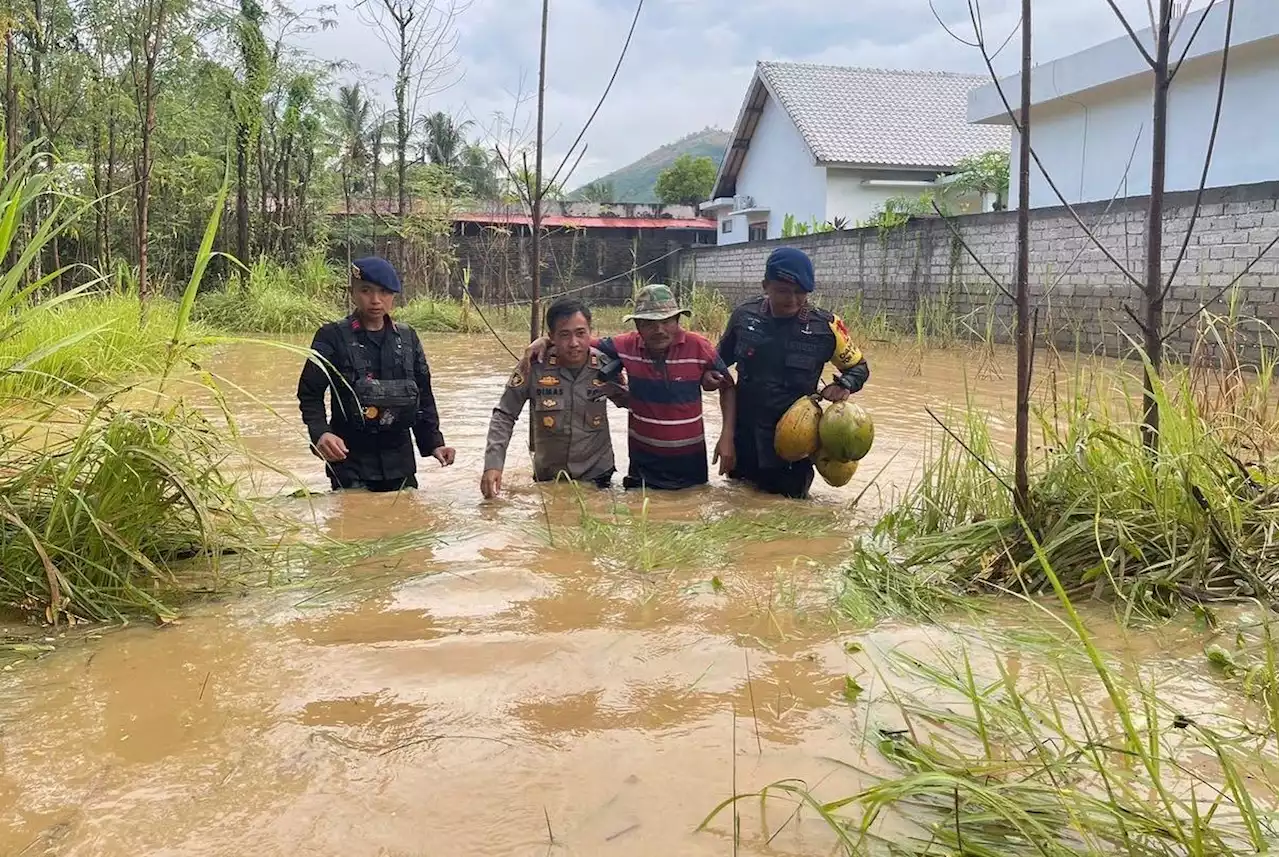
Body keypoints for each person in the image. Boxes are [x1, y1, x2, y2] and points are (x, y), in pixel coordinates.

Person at [523, 284, 736, 491]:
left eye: (667, 321)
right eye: (649, 323)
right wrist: (545, 341)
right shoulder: (626, 346)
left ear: (678, 320)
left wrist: (726, 437)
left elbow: (728, 386)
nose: (659, 330)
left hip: (690, 463)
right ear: (637, 326)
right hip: (643, 466)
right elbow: (578, 341)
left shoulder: (699, 346)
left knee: (692, 511)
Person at [713, 246, 870, 500]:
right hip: (744, 441)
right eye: (783, 291)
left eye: (800, 293)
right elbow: (718, 364)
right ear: (766, 285)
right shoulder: (744, 317)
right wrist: (725, 434)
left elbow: (859, 367)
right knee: (737, 505)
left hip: (794, 449)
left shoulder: (827, 327)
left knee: (788, 511)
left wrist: (845, 383)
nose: (792, 300)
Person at [296, 256, 455, 492]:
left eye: (383, 292)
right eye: (366, 291)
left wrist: (434, 443)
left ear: (393, 296)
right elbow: (309, 393)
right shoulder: (331, 337)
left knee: (405, 521)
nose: (375, 300)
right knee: (354, 521)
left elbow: (423, 395)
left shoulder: (407, 338)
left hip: (400, 462)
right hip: (349, 460)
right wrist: (321, 434)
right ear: (352, 293)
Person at [481, 297, 618, 499]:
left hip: (598, 478)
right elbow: (505, 414)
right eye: (564, 335)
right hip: (549, 479)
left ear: (591, 332)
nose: (574, 343)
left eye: (581, 333)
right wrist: (493, 465)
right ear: (551, 336)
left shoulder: (607, 365)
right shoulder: (533, 366)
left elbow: (635, 405)